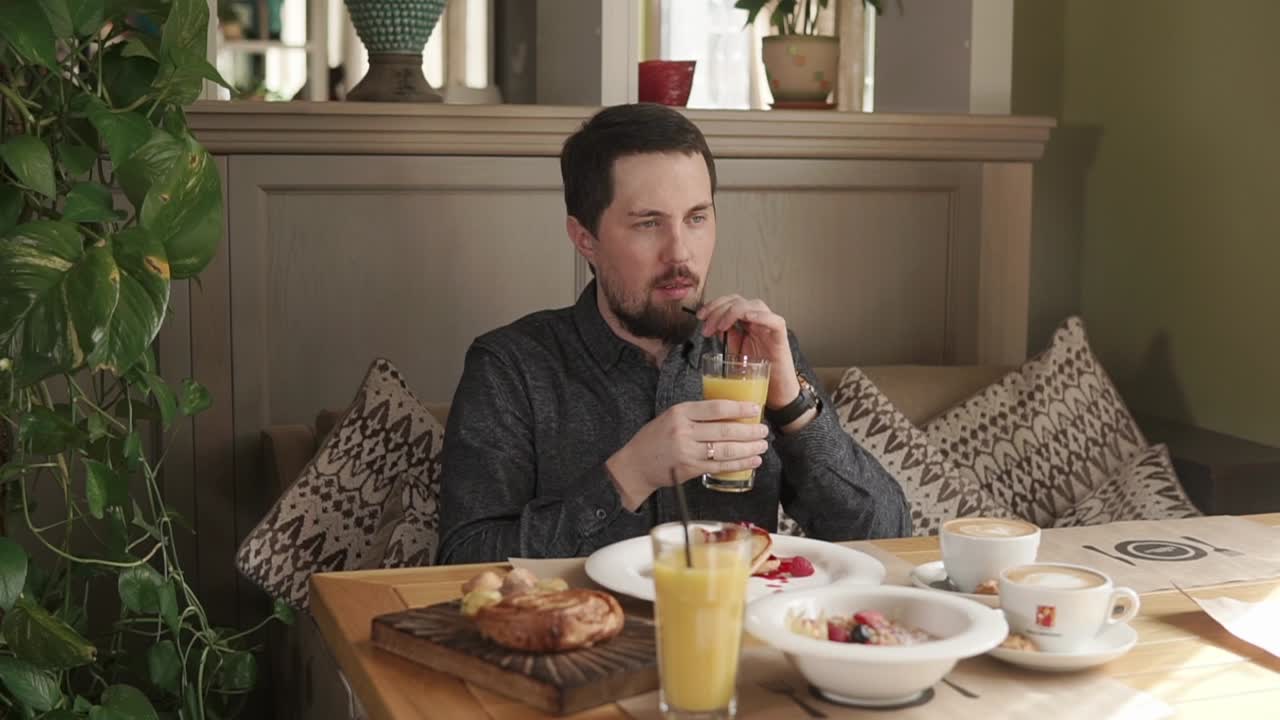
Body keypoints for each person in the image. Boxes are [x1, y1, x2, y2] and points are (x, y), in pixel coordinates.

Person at [436, 103, 909, 564]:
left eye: (697, 218)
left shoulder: (752, 351)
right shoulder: (511, 366)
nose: (680, 253)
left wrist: (794, 408)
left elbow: (885, 538)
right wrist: (626, 477)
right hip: (578, 638)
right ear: (585, 239)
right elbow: (463, 560)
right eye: (648, 224)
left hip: (735, 635)